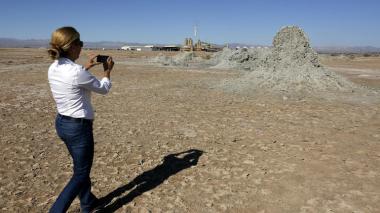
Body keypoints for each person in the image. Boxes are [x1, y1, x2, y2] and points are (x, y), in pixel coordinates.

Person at [47, 26, 114, 213]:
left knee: (79, 167)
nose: (82, 48)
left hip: (62, 124)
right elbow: (103, 89)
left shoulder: (54, 67)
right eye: (80, 43)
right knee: (81, 173)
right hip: (78, 128)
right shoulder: (76, 71)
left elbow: (75, 78)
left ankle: (87, 202)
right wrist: (107, 71)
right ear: (72, 46)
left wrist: (88, 67)